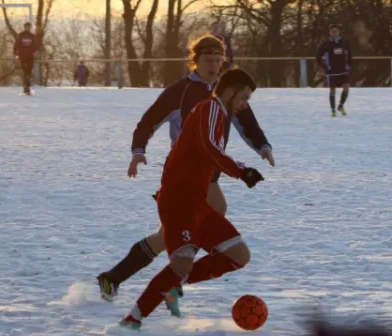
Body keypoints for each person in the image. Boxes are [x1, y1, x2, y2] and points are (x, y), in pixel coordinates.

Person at [97, 35, 274, 316]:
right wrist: (137, 150)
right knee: (198, 226)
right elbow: (149, 119)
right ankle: (168, 286)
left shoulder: (226, 92)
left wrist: (263, 147)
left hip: (208, 174)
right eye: (208, 60)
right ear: (195, 61)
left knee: (167, 237)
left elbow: (247, 122)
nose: (214, 66)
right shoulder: (180, 92)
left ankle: (118, 278)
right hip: (184, 177)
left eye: (219, 61)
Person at [119, 68, 265, 329]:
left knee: (239, 255)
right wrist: (241, 171)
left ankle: (172, 287)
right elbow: (209, 146)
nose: (244, 106)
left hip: (198, 202)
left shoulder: (219, 114)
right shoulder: (209, 108)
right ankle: (133, 319)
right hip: (179, 200)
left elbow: (209, 150)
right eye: (243, 98)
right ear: (230, 92)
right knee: (182, 263)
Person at [316, 24, 352, 117]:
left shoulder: (344, 42)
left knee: (346, 88)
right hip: (332, 70)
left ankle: (340, 106)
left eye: (336, 31)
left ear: (338, 32)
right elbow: (318, 56)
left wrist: (349, 65)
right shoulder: (326, 44)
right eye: (332, 31)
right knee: (332, 90)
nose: (334, 33)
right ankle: (333, 110)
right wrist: (325, 67)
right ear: (329, 33)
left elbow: (350, 54)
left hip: (343, 70)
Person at [14, 22, 39, 95]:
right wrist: (15, 54)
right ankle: (26, 87)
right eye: (26, 26)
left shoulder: (32, 36)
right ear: (24, 27)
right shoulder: (20, 35)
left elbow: (35, 45)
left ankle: (27, 86)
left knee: (29, 71)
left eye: (29, 27)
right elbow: (16, 45)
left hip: (30, 56)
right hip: (22, 56)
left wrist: (36, 52)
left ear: (30, 27)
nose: (28, 28)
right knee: (25, 71)